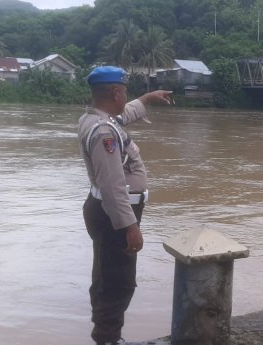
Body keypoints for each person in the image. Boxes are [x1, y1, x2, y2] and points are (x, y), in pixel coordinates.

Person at [78, 66, 173, 345]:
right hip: (115, 215)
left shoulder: (95, 119)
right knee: (118, 282)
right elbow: (112, 185)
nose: (126, 96)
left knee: (106, 275)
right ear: (115, 92)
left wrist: (145, 99)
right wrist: (130, 226)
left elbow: (123, 115)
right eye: (125, 91)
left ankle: (107, 336)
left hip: (104, 211)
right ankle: (108, 339)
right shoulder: (104, 134)